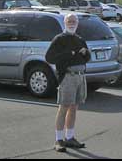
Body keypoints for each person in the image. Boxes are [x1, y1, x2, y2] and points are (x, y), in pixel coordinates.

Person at [45, 13, 91, 152]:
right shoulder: (59, 39)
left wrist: (85, 52)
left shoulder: (80, 39)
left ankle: (70, 138)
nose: (71, 23)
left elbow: (87, 58)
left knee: (74, 107)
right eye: (69, 21)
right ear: (65, 23)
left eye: (74, 21)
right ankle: (58, 140)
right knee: (64, 107)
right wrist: (68, 54)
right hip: (67, 77)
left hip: (80, 76)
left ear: (77, 23)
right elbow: (49, 58)